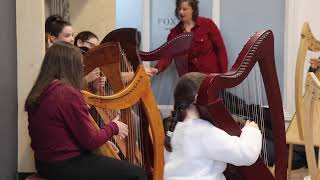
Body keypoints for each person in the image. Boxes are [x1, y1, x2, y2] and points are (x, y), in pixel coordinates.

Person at [25, 42, 147, 180]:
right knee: (138, 174)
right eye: (80, 65)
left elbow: (63, 135)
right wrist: (114, 127)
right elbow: (90, 141)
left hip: (44, 164)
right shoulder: (67, 93)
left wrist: (104, 140)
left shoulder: (40, 90)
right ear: (71, 67)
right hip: (64, 165)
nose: (83, 68)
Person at [163, 72, 262, 180]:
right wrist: (251, 131)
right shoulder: (203, 131)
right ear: (197, 98)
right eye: (212, 96)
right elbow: (246, 154)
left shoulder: (174, 129)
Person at [153, 0, 228, 76]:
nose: (181, 12)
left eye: (185, 9)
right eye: (179, 9)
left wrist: (223, 75)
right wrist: (157, 69)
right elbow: (167, 56)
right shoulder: (174, 33)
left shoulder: (207, 24)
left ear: (193, 9)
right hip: (191, 81)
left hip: (211, 77)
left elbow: (220, 50)